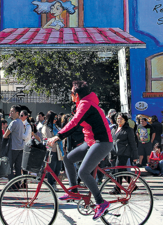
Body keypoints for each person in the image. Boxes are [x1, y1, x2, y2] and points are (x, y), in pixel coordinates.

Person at [47, 80, 113, 221]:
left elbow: (74, 122)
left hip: (102, 142)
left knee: (83, 172)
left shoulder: (85, 104)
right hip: (91, 142)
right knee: (68, 159)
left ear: (77, 95)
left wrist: (58, 136)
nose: (70, 95)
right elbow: (75, 124)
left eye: (71, 93)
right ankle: (73, 191)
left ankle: (101, 202)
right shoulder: (82, 104)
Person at [109, 112, 138, 194]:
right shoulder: (114, 128)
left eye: (121, 119)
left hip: (124, 152)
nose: (119, 120)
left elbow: (133, 143)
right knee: (122, 170)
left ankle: (117, 188)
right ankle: (133, 185)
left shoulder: (128, 130)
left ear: (125, 120)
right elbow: (112, 141)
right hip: (116, 152)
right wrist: (110, 155)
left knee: (118, 170)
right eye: (118, 118)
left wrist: (135, 155)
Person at [3, 105, 25, 188]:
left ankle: (12, 185)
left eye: (12, 111)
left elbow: (5, 135)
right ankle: (18, 184)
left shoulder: (14, 122)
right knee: (18, 167)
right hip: (20, 147)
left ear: (17, 113)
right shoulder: (21, 123)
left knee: (10, 167)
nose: (10, 113)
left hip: (13, 148)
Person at [42, 110, 64, 191]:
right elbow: (48, 138)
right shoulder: (46, 127)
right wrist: (56, 139)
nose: (56, 120)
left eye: (56, 118)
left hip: (59, 151)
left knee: (58, 168)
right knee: (51, 169)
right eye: (54, 118)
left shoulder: (56, 127)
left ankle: (54, 183)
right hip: (52, 150)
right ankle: (51, 184)